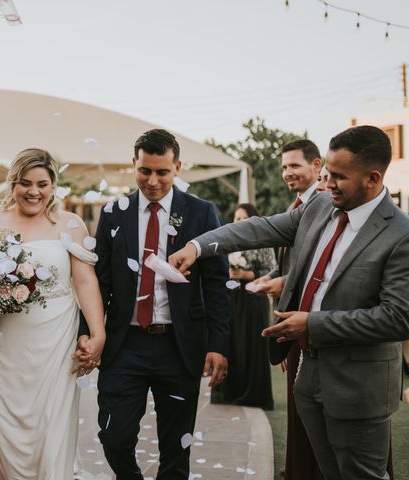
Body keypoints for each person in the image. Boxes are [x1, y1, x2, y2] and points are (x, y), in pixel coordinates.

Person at [169, 125, 409, 480]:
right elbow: (257, 228)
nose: (327, 184)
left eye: (339, 177)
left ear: (373, 178)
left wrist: (311, 323)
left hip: (360, 385)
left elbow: (398, 318)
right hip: (309, 378)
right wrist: (197, 246)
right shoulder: (320, 207)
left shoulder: (400, 234)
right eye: (326, 173)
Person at [77, 129, 230, 479]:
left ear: (177, 168)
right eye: (145, 170)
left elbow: (218, 284)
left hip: (179, 345)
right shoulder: (114, 213)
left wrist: (218, 344)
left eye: (162, 172)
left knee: (175, 450)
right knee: (114, 437)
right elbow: (97, 282)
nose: (153, 180)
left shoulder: (202, 213)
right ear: (134, 164)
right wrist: (89, 331)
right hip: (124, 343)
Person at [0, 148, 106, 478]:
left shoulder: (71, 225)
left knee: (52, 427)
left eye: (42, 184)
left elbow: (85, 281)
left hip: (56, 344)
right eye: (25, 183)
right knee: (10, 431)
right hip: (7, 346)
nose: (34, 191)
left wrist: (98, 333)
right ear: (13, 184)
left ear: (53, 185)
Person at [252, 139, 324, 479]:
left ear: (317, 165)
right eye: (283, 167)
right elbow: (291, 261)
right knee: (297, 405)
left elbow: (324, 265)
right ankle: (297, 468)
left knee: (309, 407)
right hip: (289, 318)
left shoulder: (325, 205)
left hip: (311, 320)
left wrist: (286, 282)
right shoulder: (295, 206)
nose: (286, 173)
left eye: (294, 165)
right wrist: (273, 278)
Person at [211, 203, 276, 410]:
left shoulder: (263, 241)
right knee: (232, 343)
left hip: (253, 298)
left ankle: (252, 394)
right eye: (235, 218)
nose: (238, 222)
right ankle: (229, 391)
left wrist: (248, 275)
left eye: (242, 218)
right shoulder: (229, 241)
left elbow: (273, 269)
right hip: (232, 298)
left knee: (251, 344)